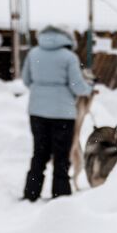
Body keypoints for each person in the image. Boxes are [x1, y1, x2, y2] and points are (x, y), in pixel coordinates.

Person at [21, 25, 92, 201]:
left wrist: (41, 90)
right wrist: (88, 89)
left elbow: (26, 80)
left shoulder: (34, 53)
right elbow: (77, 86)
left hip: (37, 112)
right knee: (61, 155)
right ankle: (60, 194)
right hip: (62, 113)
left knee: (40, 153)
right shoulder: (69, 57)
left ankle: (31, 192)